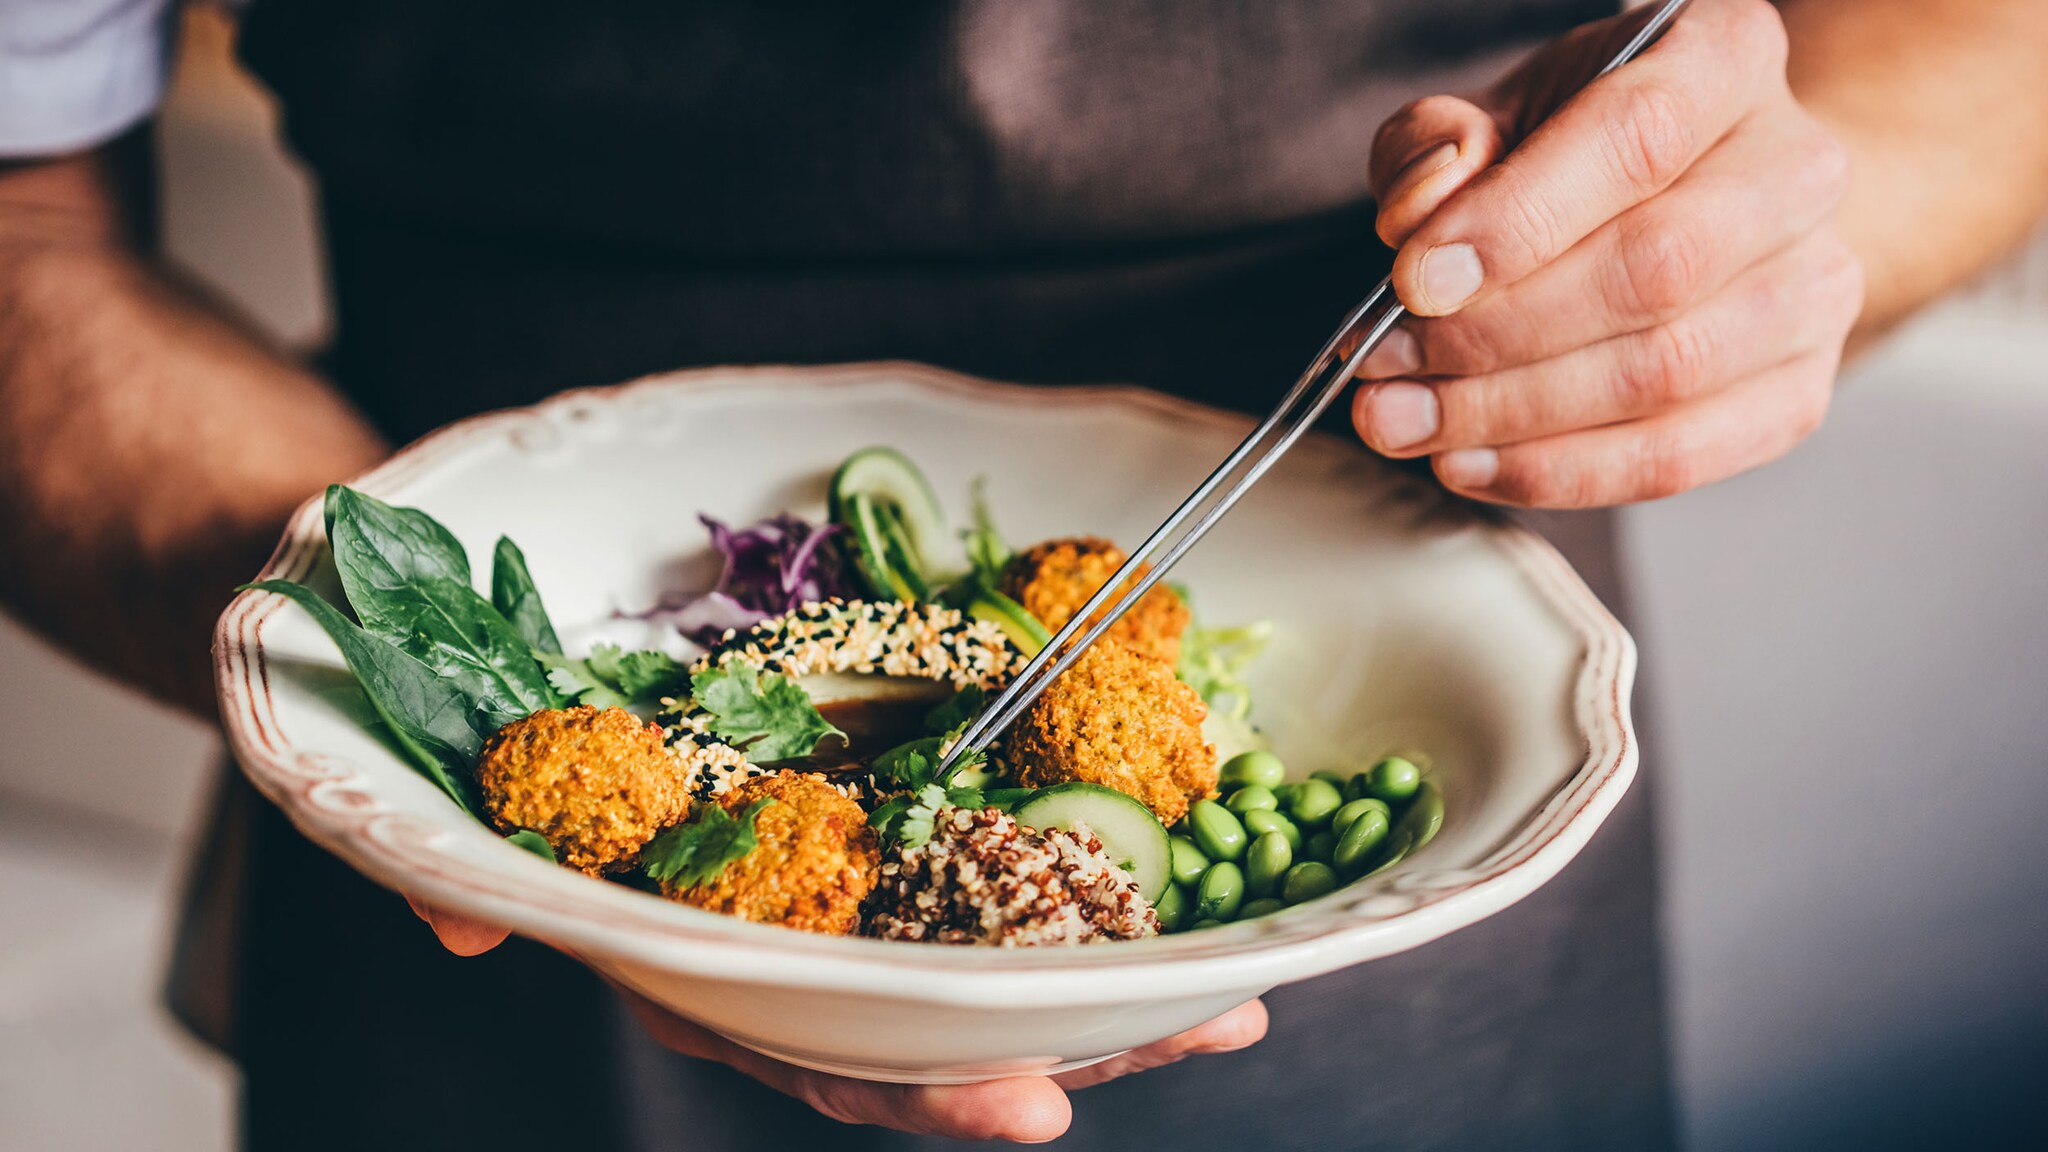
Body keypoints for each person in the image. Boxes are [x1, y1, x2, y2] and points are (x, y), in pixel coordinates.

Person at [2, 0, 2044, 1147]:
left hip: (1423, 847)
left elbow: (1968, 47)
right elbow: (30, 253)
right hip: (450, 861)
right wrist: (414, 691)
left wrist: (1726, 263)